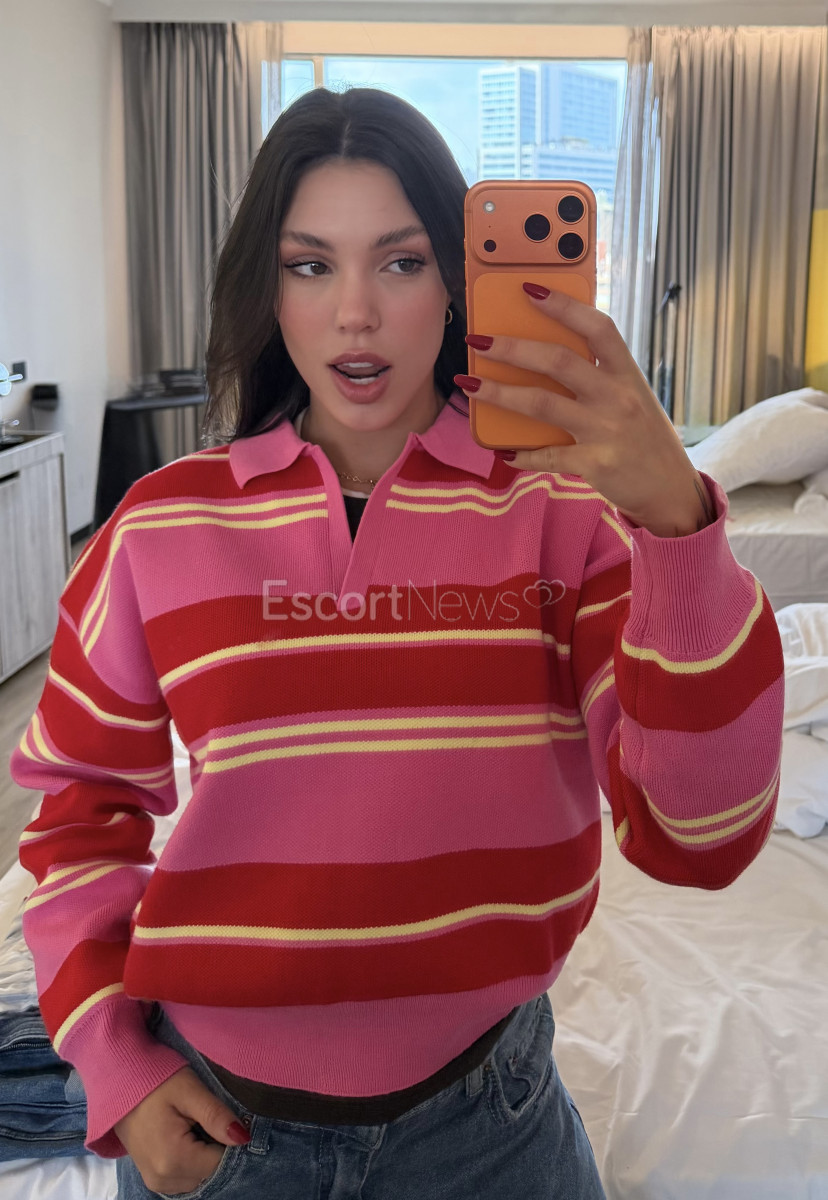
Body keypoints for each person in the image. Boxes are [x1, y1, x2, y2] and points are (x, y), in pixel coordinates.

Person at [10, 85, 784, 1200]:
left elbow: (699, 839)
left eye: (403, 261)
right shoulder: (161, 526)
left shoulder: (565, 519)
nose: (356, 314)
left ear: (458, 283)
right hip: (221, 1130)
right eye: (310, 264)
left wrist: (674, 522)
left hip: (492, 1126)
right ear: (267, 288)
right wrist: (112, 1061)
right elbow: (80, 808)